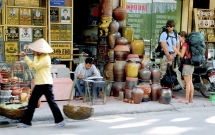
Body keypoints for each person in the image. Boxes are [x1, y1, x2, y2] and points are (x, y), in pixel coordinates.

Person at [17, 38, 65, 128]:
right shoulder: (40, 57)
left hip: (45, 84)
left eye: (36, 50)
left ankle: (60, 120)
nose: (34, 51)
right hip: (40, 83)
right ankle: (27, 122)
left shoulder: (46, 58)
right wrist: (25, 56)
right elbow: (32, 65)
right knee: (32, 102)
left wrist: (34, 56)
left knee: (51, 102)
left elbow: (35, 66)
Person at [159, 20, 180, 99]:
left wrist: (174, 55)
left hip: (173, 56)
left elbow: (178, 46)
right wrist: (169, 57)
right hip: (165, 57)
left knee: (172, 75)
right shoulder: (164, 34)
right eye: (167, 26)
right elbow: (164, 47)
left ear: (173, 26)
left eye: (170, 26)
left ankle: (170, 92)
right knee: (163, 75)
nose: (169, 28)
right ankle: (162, 92)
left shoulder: (176, 34)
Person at [172, 31, 194, 104]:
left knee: (187, 83)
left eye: (179, 37)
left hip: (186, 65)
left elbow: (181, 55)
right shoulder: (189, 44)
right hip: (191, 65)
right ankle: (191, 99)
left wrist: (176, 50)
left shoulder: (184, 44)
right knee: (190, 82)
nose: (178, 38)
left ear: (183, 37)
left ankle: (186, 99)